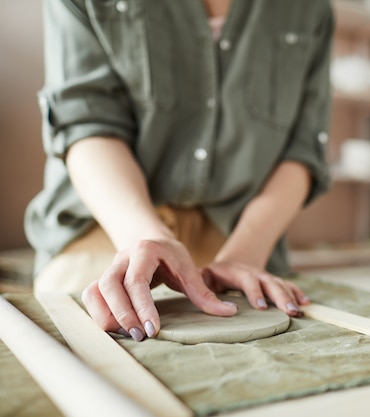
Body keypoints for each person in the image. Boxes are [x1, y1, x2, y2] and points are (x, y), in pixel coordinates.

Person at [25, 0, 334, 342]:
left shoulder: (312, 8)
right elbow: (85, 122)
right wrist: (144, 238)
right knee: (79, 344)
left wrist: (244, 255)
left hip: (242, 237)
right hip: (111, 224)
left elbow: (302, 150)